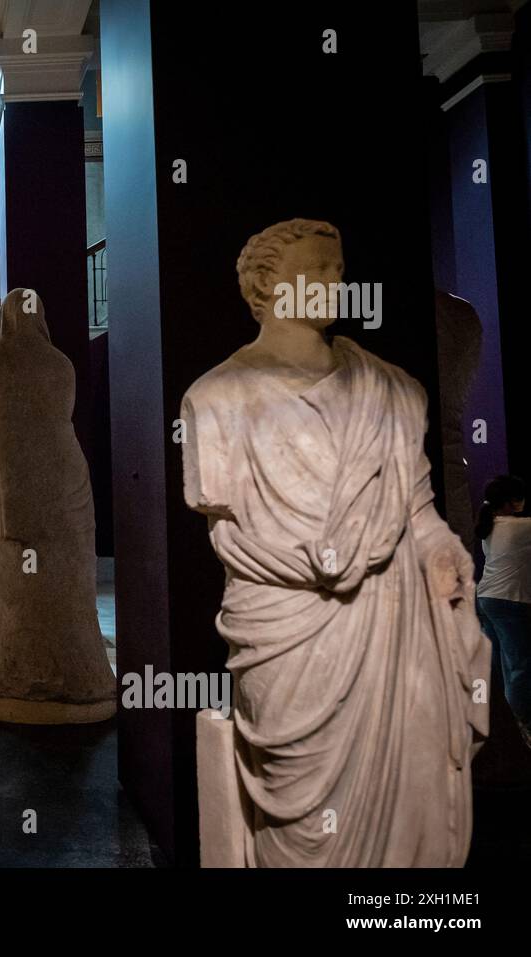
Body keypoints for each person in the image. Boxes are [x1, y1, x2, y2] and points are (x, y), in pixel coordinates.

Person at [180, 218, 488, 866]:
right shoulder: (215, 399)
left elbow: (419, 510)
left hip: (389, 624)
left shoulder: (393, 390)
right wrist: (327, 560)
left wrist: (441, 550)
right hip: (285, 634)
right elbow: (230, 531)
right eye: (315, 269)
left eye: (338, 269)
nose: (334, 282)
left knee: (406, 808)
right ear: (264, 286)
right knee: (302, 829)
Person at [0, 288, 117, 723]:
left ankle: (11, 673)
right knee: (65, 583)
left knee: (17, 584)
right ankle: (75, 674)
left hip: (9, 486)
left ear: (5, 319)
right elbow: (60, 417)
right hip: (65, 487)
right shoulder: (61, 364)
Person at [475, 475, 530, 746]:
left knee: (497, 665)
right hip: (509, 603)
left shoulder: (491, 525)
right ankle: (520, 725)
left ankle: (497, 723)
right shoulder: (519, 528)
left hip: (486, 600)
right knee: (518, 666)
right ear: (509, 502)